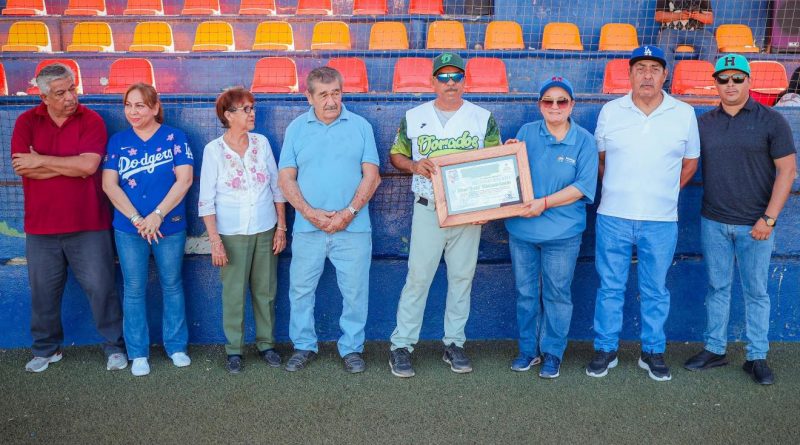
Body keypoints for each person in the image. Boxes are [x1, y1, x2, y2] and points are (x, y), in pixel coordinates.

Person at [587, 45, 700, 382]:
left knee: (655, 290)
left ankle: (652, 351)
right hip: (613, 216)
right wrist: (621, 189)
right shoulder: (611, 111)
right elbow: (601, 161)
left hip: (661, 220)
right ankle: (605, 348)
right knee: (610, 287)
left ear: (665, 75)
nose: (647, 75)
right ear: (630, 74)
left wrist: (664, 193)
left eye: (654, 69)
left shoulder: (684, 113)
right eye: (640, 69)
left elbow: (690, 163)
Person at [684, 54, 797, 385]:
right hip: (714, 221)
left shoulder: (772, 121)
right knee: (717, 287)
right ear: (715, 84)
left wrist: (769, 219)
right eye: (723, 78)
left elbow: (787, 171)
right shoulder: (704, 123)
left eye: (737, 78)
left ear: (749, 81)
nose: (730, 84)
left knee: (756, 291)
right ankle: (715, 349)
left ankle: (756, 356)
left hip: (756, 225)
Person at [387, 52, 501, 378]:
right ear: (433, 81)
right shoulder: (414, 116)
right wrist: (413, 165)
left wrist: (487, 207)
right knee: (418, 277)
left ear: (465, 81)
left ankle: (454, 343)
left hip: (467, 211)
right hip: (428, 206)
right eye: (444, 77)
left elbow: (495, 162)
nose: (450, 83)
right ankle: (401, 345)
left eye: (456, 77)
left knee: (462, 278)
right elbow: (396, 154)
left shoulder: (483, 118)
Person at [10, 63, 126, 373]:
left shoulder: (91, 120)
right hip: (41, 227)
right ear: (44, 97)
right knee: (43, 293)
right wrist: (67, 166)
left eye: (72, 89)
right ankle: (47, 349)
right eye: (60, 93)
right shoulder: (26, 122)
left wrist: (41, 160)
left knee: (101, 288)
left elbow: (88, 166)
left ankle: (114, 347)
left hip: (89, 224)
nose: (70, 97)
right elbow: (23, 168)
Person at [278, 67, 381, 374]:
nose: (331, 101)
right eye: (323, 94)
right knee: (300, 291)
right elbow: (286, 178)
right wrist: (310, 213)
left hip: (354, 228)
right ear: (309, 96)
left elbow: (372, 176)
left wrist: (348, 213)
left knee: (355, 292)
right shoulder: (296, 128)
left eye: (336, 92)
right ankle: (303, 346)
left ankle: (352, 349)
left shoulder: (361, 126)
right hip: (308, 228)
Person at [503, 76, 598, 378]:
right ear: (540, 105)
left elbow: (582, 187)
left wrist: (543, 203)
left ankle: (553, 353)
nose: (555, 106)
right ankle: (528, 350)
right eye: (548, 101)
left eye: (562, 101)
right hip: (522, 231)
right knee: (526, 293)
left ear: (572, 105)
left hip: (562, 233)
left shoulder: (584, 140)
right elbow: (513, 172)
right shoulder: (526, 132)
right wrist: (506, 155)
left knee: (557, 294)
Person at [102, 83, 194, 377]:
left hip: (169, 225)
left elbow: (185, 180)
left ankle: (176, 346)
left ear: (155, 108)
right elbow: (109, 184)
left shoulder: (174, 137)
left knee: (172, 284)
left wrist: (157, 215)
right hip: (130, 229)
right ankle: (138, 352)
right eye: (128, 105)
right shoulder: (118, 141)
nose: (133, 111)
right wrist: (136, 219)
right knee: (133, 288)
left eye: (140, 105)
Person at [199, 87, 288, 374]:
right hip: (231, 234)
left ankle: (266, 344)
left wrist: (281, 227)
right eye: (245, 109)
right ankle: (234, 350)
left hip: (265, 228)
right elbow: (206, 200)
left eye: (252, 107)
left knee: (266, 291)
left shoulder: (262, 143)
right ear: (228, 115)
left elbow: (277, 187)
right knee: (233, 294)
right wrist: (215, 241)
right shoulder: (214, 150)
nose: (252, 113)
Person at [655, 0, 717, 69]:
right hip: (670, 31)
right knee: (663, 43)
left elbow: (709, 19)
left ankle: (703, 75)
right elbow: (658, 16)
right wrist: (679, 15)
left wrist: (696, 16)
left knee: (710, 43)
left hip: (697, 32)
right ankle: (667, 75)